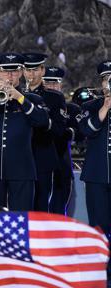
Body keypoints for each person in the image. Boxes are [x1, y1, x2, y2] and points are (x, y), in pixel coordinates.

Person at [0, 53, 49, 211]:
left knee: (22, 218)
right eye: (5, 71)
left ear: (21, 72)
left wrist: (20, 98)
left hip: (22, 170)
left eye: (14, 71)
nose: (9, 75)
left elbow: (42, 121)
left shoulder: (31, 99)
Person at [22, 53, 66, 212]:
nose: (30, 74)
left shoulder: (55, 98)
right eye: (27, 70)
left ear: (42, 71)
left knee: (41, 205)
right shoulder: (15, 94)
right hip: (18, 160)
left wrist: (42, 120)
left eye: (34, 70)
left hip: (42, 157)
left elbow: (59, 130)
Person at [77, 60, 111, 239]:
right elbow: (86, 131)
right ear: (102, 83)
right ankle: (102, 267)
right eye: (107, 79)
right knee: (98, 229)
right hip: (96, 176)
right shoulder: (90, 106)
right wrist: (105, 107)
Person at [43, 67, 82, 214]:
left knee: (59, 209)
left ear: (60, 85)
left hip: (62, 165)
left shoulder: (72, 109)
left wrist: (67, 132)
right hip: (40, 165)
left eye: (55, 83)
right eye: (48, 83)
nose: (52, 86)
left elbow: (80, 132)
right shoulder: (38, 106)